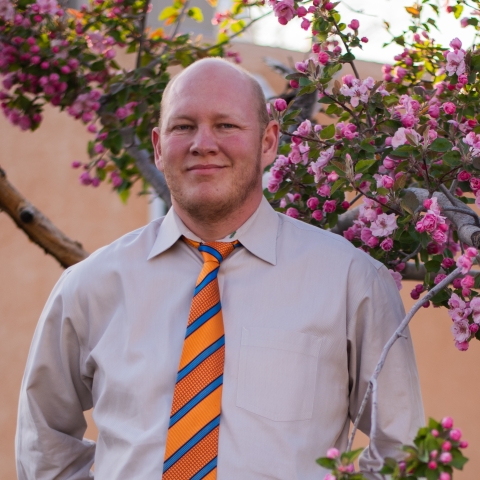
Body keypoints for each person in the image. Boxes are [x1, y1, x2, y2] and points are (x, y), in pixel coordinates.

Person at [16, 58, 424, 480]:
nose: (203, 143)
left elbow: (402, 450)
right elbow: (44, 443)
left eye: (226, 125)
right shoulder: (89, 286)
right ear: (158, 146)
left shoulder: (351, 282)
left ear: (268, 142)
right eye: (183, 126)